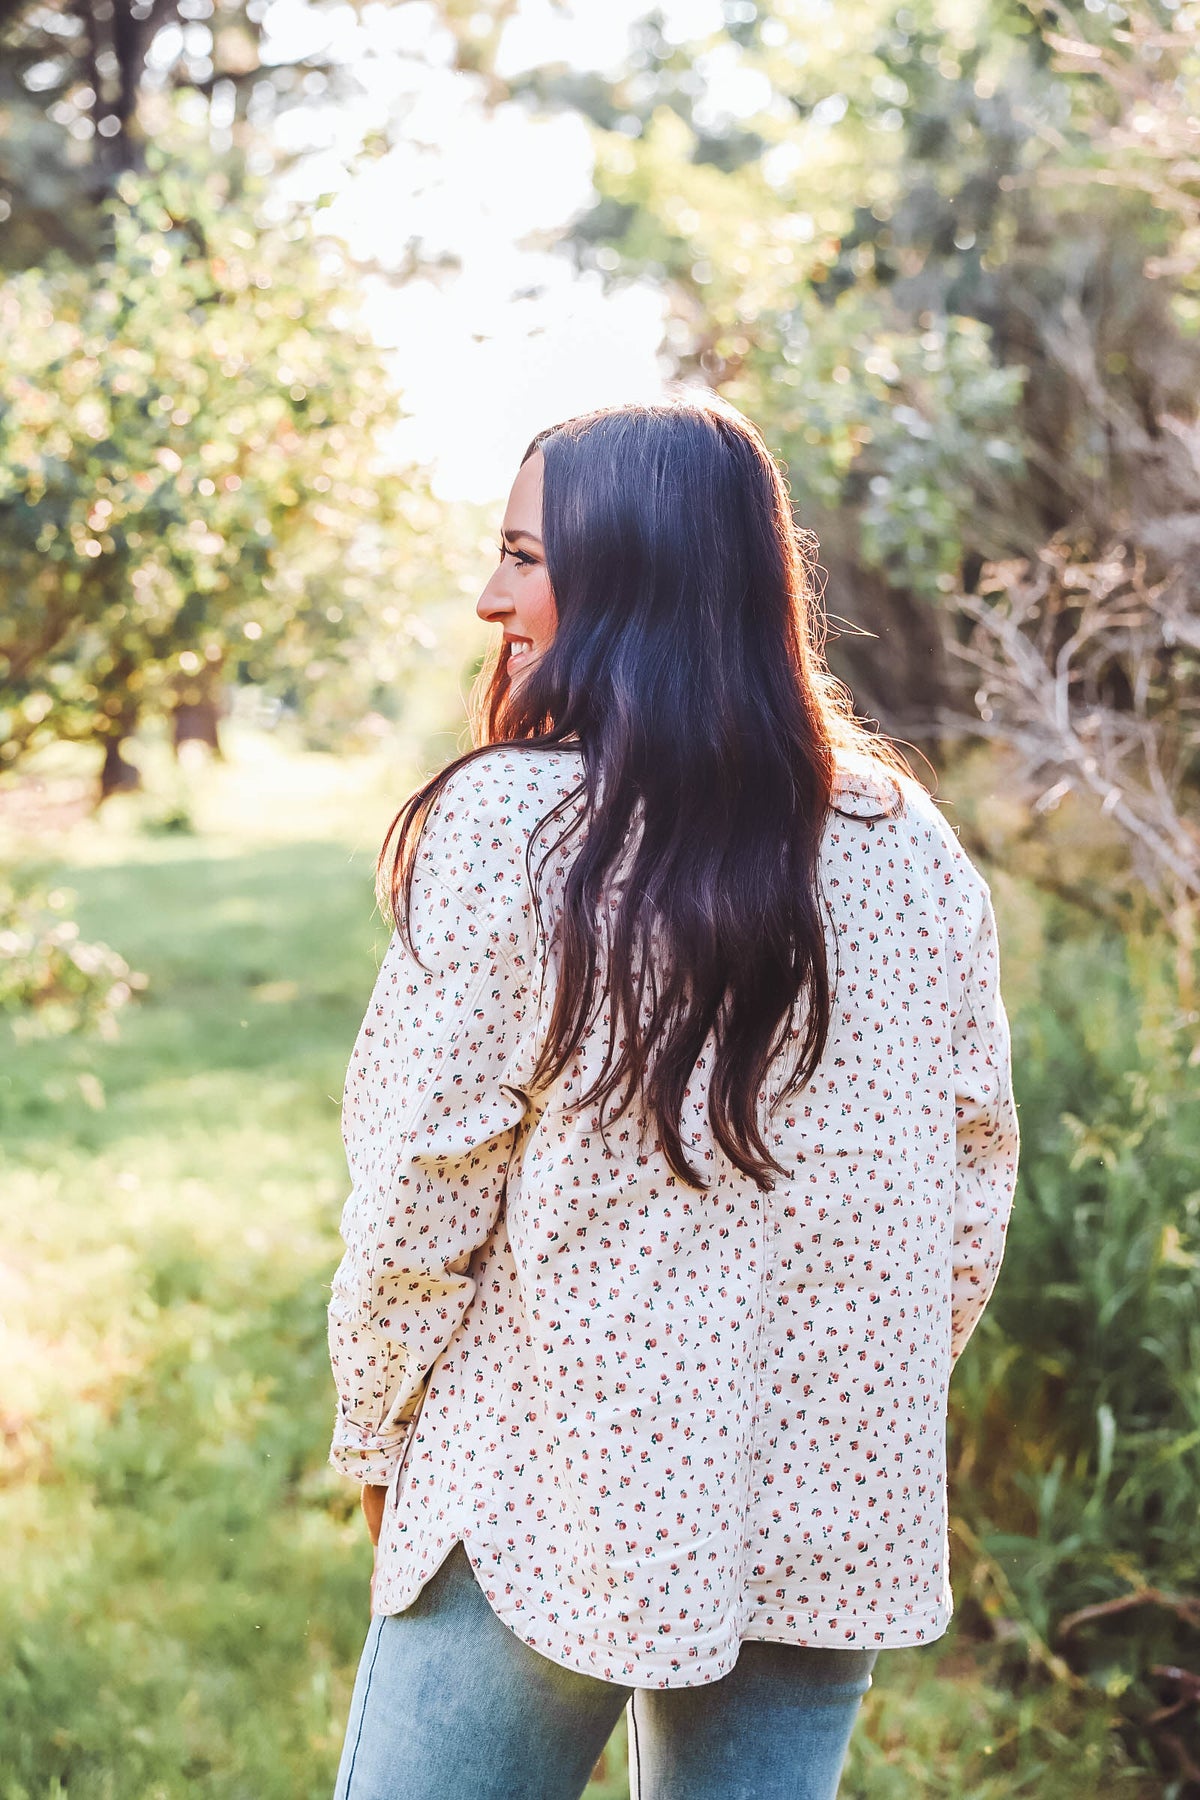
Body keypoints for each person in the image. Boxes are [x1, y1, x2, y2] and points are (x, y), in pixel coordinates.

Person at [326, 395, 1020, 1800]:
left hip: (544, 1492)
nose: (488, 599)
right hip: (828, 1500)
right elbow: (973, 1173)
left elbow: (419, 1192)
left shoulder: (512, 828)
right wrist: (845, 1400)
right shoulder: (906, 841)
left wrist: (377, 1437)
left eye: (526, 556)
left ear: (631, 571)